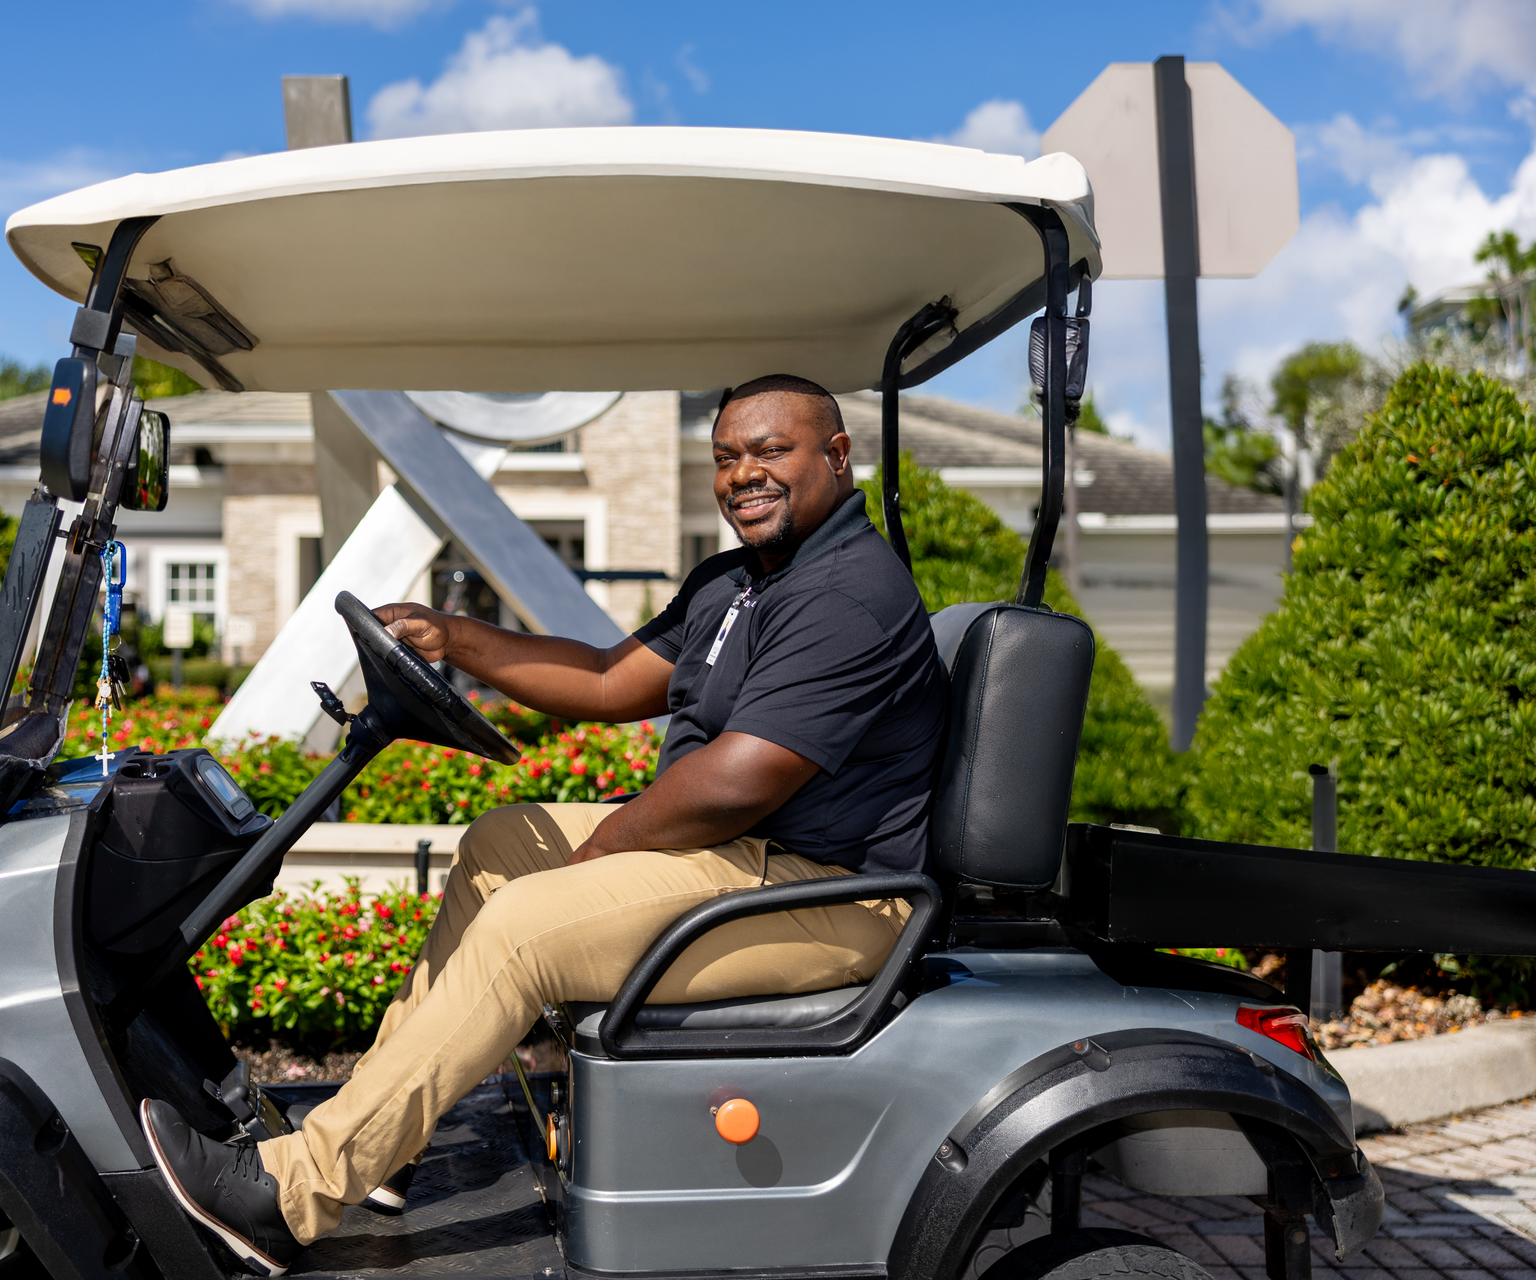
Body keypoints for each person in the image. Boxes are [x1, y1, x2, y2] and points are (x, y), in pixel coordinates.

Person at [141, 374, 948, 1274]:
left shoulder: (847, 593)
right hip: (745, 862)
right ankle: (381, 1143)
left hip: (830, 894)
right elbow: (608, 678)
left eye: (771, 451)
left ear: (836, 457)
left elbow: (738, 782)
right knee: (503, 845)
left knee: (527, 926)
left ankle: (288, 1196)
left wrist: (604, 851)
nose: (743, 475)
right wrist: (459, 638)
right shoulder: (740, 580)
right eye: (726, 458)